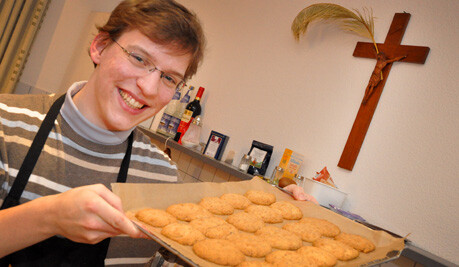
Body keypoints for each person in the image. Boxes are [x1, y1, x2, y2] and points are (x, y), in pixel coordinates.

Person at [0, 0, 316, 266]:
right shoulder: (7, 125)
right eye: (139, 58)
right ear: (99, 47)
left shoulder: (159, 174)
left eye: (169, 78)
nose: (149, 88)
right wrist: (49, 218)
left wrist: (271, 220)